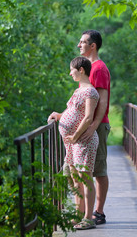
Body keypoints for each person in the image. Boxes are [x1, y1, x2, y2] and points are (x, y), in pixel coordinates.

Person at [48, 57, 99, 230]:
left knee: (85, 179)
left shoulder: (90, 92)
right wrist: (59, 115)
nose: (70, 73)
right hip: (72, 143)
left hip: (83, 142)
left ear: (81, 70)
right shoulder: (79, 91)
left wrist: (75, 136)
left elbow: (88, 117)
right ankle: (78, 215)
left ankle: (88, 218)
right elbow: (72, 111)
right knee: (74, 179)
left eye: (72, 70)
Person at [77, 30, 111, 225]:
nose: (79, 45)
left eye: (82, 42)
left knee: (98, 169)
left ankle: (98, 212)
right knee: (89, 169)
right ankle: (85, 211)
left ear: (93, 46)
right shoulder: (89, 68)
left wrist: (94, 126)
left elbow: (103, 100)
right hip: (89, 126)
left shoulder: (99, 69)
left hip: (96, 126)